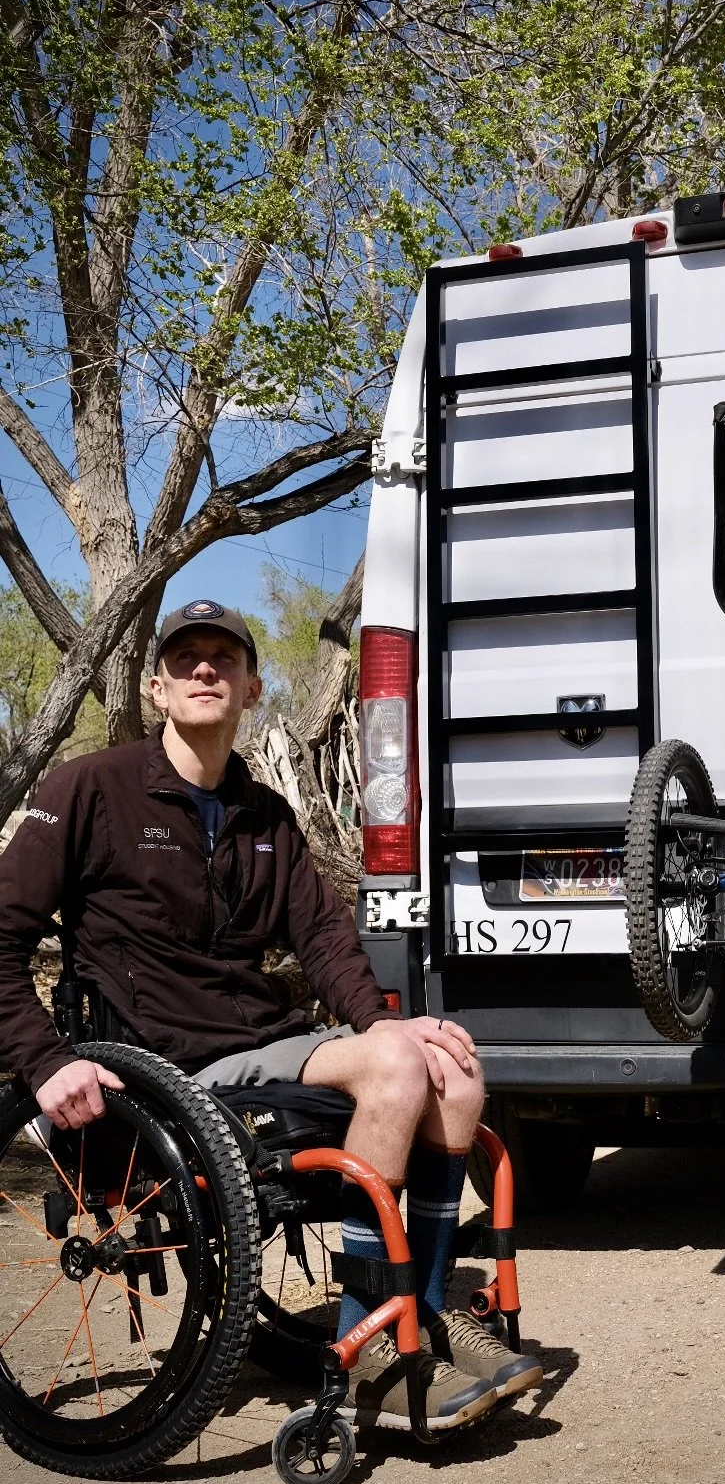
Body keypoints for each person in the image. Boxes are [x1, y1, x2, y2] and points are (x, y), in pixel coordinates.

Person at [0, 597, 541, 1432]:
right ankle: (374, 1354)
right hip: (163, 1070)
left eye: (226, 658)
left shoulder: (267, 815)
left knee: (450, 1071)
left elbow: (325, 938)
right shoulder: (89, 790)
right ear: (157, 687)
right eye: (188, 659)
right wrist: (45, 1062)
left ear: (253, 690)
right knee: (397, 1069)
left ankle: (421, 1314)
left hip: (259, 1048)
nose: (206, 669)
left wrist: (383, 1023)